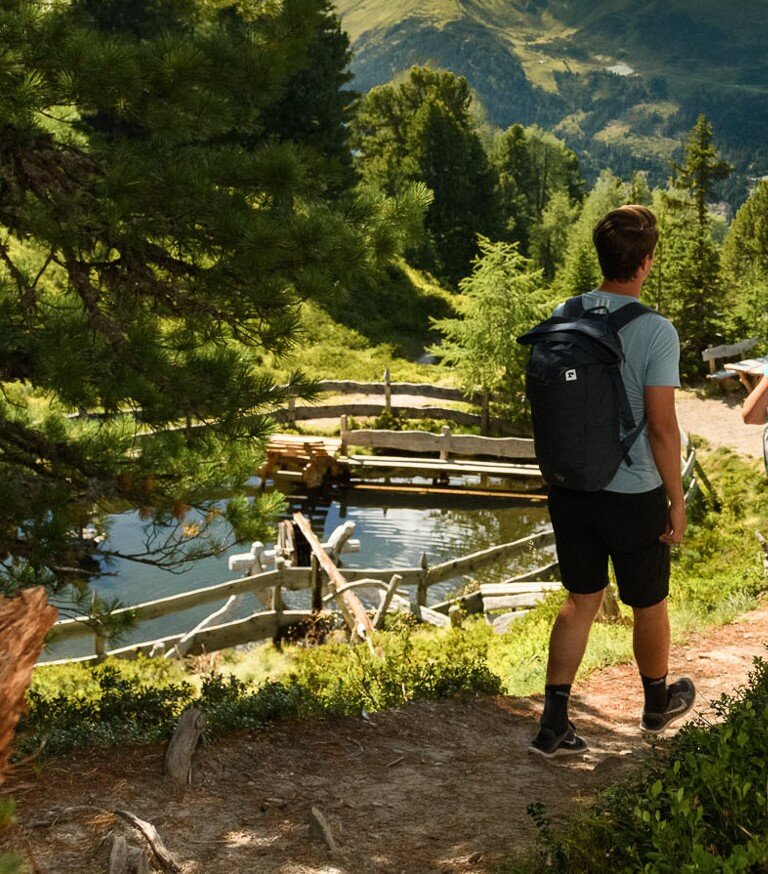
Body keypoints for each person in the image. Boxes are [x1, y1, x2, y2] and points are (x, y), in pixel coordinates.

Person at [529, 205, 696, 758]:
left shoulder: (564, 313)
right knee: (649, 602)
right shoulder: (655, 331)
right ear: (646, 263)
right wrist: (676, 501)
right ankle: (655, 704)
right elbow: (664, 430)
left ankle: (553, 723)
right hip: (632, 492)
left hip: (572, 487)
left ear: (602, 258)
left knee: (580, 601)